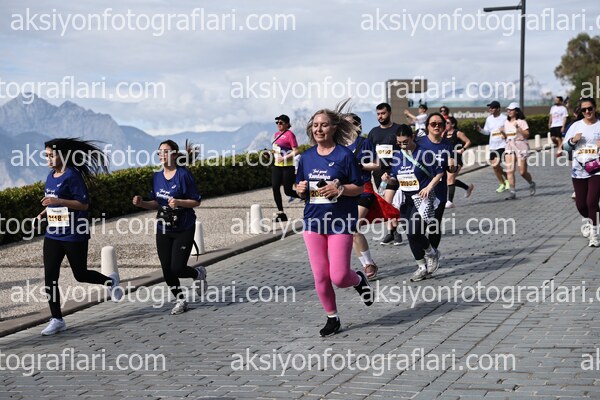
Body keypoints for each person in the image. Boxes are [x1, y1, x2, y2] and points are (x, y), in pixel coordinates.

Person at [296, 107, 373, 337]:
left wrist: (340, 189)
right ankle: (332, 317)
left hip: (340, 223)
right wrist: (299, 188)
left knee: (339, 277)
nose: (319, 129)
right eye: (315, 125)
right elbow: (298, 186)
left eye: (324, 125)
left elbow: (358, 187)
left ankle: (358, 279)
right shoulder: (306, 157)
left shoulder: (344, 156)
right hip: (313, 223)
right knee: (320, 276)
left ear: (334, 128)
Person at [37, 138, 120, 336]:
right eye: (46, 156)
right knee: (50, 276)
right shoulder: (51, 175)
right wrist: (42, 214)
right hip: (53, 234)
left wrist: (59, 200)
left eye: (51, 155)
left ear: (63, 156)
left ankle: (110, 282)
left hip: (74, 233)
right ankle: (57, 319)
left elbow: (83, 205)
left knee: (80, 274)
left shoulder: (73, 175)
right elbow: (52, 203)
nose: (48, 159)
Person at [132, 140, 206, 315]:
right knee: (166, 269)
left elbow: (196, 201)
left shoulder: (183, 175)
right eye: (160, 152)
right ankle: (180, 300)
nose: (162, 155)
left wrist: (179, 202)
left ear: (174, 154)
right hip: (163, 228)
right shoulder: (157, 177)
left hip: (184, 227)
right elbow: (156, 203)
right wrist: (142, 203)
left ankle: (197, 274)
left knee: (177, 268)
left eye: (166, 152)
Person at [381, 126, 446, 282]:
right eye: (399, 143)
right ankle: (422, 267)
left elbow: (439, 173)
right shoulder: (398, 155)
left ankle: (431, 253)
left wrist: (429, 187)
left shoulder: (424, 153)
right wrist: (388, 179)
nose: (402, 145)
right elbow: (396, 179)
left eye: (405, 142)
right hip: (406, 199)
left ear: (412, 138)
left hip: (421, 198)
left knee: (413, 231)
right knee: (410, 235)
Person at [345, 113, 399, 279]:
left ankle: (368, 264)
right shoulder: (339, 144)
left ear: (356, 125)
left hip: (364, 189)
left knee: (353, 227)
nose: (345, 126)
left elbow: (376, 165)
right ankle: (367, 263)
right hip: (345, 192)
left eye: (348, 123)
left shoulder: (364, 142)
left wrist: (359, 165)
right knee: (349, 230)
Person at [563, 97, 600, 247]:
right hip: (579, 170)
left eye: (590, 108)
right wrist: (573, 141)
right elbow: (565, 147)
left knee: (592, 202)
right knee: (581, 205)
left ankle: (594, 235)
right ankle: (591, 219)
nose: (587, 111)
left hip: (597, 168)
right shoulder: (575, 126)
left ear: (595, 108)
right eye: (584, 109)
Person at [418, 113, 455, 257]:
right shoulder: (419, 143)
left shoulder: (448, 145)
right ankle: (424, 253)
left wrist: (452, 166)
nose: (437, 126)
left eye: (440, 124)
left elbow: (451, 169)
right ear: (427, 126)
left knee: (434, 224)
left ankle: (432, 254)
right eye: (433, 124)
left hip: (439, 191)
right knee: (418, 227)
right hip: (420, 191)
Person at [367, 102, 402, 245]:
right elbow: (369, 153)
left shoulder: (398, 129)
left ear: (389, 113)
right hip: (378, 173)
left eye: (383, 113)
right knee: (385, 203)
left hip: (394, 171)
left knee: (388, 200)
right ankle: (391, 232)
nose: (380, 116)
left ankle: (395, 232)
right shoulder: (373, 132)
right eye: (378, 114)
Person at [501, 103, 536, 200]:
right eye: (508, 110)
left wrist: (518, 128)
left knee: (522, 172)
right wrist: (502, 133)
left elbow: (527, 135)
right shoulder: (506, 122)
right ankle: (512, 192)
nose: (509, 111)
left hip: (521, 146)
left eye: (511, 110)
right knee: (510, 170)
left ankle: (531, 183)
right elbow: (505, 137)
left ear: (516, 111)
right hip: (509, 146)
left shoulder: (521, 122)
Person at [271, 114, 299, 221]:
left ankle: (307, 197)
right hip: (277, 166)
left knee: (288, 191)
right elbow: (277, 150)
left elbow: (296, 151)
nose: (278, 124)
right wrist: (271, 153)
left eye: (281, 123)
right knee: (275, 187)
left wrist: (284, 158)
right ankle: (281, 213)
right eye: (277, 122)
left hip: (287, 166)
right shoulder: (276, 134)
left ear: (287, 124)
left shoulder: (290, 135)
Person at [476, 101, 509, 193]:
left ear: (498, 109)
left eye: (492, 108)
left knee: (497, 164)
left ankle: (507, 181)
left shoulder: (504, 118)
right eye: (489, 107)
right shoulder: (489, 119)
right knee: (495, 166)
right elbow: (487, 132)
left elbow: (510, 130)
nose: (490, 109)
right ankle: (503, 183)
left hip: (502, 145)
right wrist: (480, 130)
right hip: (493, 145)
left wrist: (505, 134)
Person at [444, 116, 475, 208]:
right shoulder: (444, 134)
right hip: (447, 159)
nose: (446, 124)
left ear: (453, 124)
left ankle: (450, 201)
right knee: (449, 179)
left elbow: (468, 141)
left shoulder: (458, 133)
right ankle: (467, 187)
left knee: (450, 178)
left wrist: (462, 149)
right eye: (445, 123)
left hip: (456, 158)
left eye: (447, 123)